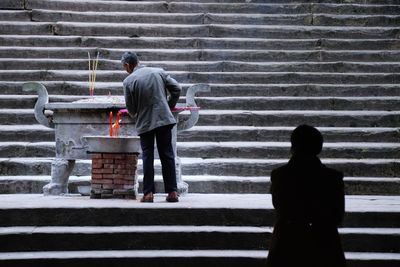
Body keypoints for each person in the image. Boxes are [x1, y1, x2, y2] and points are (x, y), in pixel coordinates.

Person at [267, 125, 346, 267]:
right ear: (318, 147)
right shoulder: (333, 178)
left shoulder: (280, 175)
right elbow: (337, 216)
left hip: (287, 243)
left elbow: (280, 208)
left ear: (293, 146)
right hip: (324, 244)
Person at [121, 51, 181, 203]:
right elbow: (177, 88)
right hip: (164, 119)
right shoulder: (159, 71)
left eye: (124, 67)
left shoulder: (128, 81)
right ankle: (172, 192)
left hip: (145, 123)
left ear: (128, 65)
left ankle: (148, 194)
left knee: (148, 157)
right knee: (167, 154)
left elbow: (132, 110)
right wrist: (169, 105)